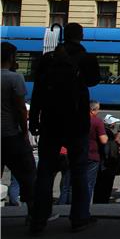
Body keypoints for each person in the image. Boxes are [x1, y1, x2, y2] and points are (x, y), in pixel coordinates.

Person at [29, 23, 100, 233]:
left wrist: (34, 118)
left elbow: (38, 91)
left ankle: (38, 219)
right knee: (79, 170)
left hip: (50, 121)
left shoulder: (48, 59)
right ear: (81, 36)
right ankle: (79, 218)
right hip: (76, 122)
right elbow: (94, 81)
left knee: (44, 172)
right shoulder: (86, 58)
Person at [1, 41, 36, 220]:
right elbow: (21, 109)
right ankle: (33, 215)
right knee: (28, 175)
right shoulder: (15, 78)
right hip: (10, 135)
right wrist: (24, 131)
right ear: (11, 57)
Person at [93, 115, 120, 204]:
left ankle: (97, 201)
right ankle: (102, 203)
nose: (115, 124)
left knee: (98, 185)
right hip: (107, 165)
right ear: (111, 124)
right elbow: (110, 151)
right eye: (114, 123)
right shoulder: (109, 135)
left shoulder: (102, 132)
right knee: (106, 187)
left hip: (100, 164)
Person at [86, 101, 108, 204]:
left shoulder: (76, 119)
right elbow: (103, 140)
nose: (98, 111)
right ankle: (85, 210)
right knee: (89, 184)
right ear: (92, 110)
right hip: (93, 155)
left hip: (78, 153)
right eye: (97, 109)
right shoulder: (97, 121)